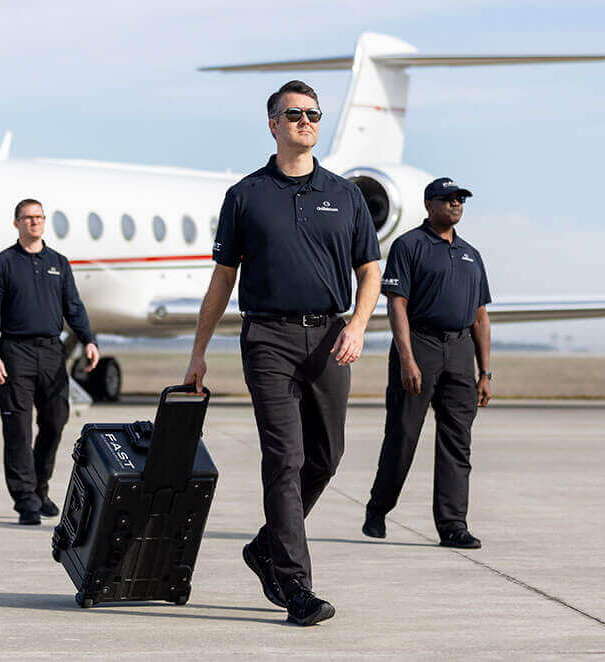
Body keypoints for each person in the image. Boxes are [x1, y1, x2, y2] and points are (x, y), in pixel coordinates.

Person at [184, 80, 381, 625]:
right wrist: (199, 352)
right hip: (267, 337)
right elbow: (223, 279)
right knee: (285, 459)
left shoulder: (345, 195)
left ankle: (264, 546)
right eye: (294, 114)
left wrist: (359, 325)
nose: (306, 122)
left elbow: (370, 271)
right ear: (273, 124)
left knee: (327, 457)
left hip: (330, 336)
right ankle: (295, 587)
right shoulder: (245, 196)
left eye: (313, 114)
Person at [362, 178, 492, 549]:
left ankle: (453, 526)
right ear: (428, 204)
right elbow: (396, 303)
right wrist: (407, 358)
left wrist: (484, 372)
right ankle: (378, 508)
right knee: (403, 435)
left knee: (457, 442)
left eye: (460, 199)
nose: (455, 204)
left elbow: (480, 318)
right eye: (448, 199)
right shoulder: (409, 246)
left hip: (460, 350)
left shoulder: (471, 254)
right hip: (419, 344)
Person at [0, 199, 99, 525]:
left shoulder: (58, 263)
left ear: (44, 222)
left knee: (56, 419)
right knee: (18, 427)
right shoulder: (2, 264)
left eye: (38, 218)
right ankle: (26, 502)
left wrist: (89, 340)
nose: (34, 223)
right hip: (14, 352)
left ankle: (40, 487)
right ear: (16, 223)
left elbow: (73, 306)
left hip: (51, 350)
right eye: (27, 218)